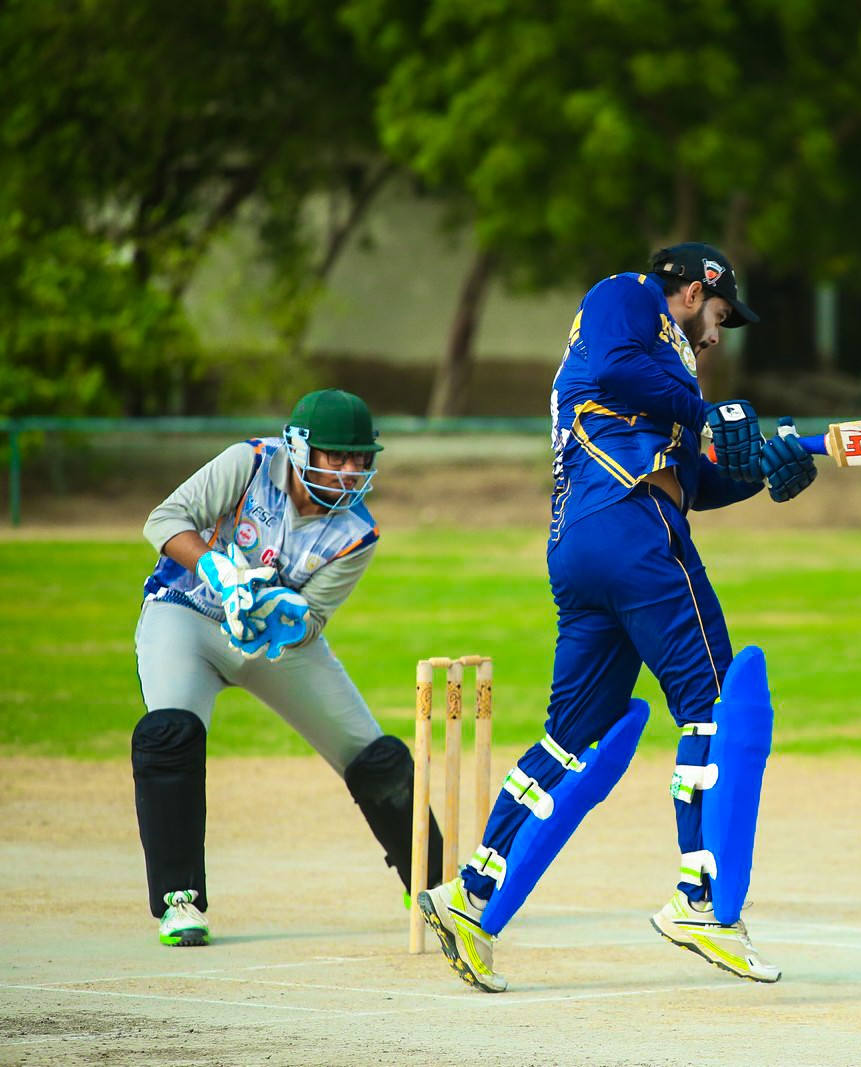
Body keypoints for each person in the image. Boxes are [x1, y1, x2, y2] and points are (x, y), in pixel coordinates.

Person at [417, 242, 818, 993]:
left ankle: (469, 896)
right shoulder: (627, 298)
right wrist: (706, 412)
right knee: (712, 706)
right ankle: (700, 899)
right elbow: (615, 369)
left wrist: (766, 472)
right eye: (720, 316)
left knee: (571, 735)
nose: (717, 336)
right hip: (632, 528)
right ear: (694, 290)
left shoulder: (665, 377)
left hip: (584, 547)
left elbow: (695, 482)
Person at [133, 389, 445, 946]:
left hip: (271, 644)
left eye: (360, 459)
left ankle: (434, 882)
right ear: (299, 448)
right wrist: (216, 568)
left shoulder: (358, 533)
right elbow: (166, 519)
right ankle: (180, 901)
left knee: (375, 755)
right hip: (186, 613)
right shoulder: (249, 463)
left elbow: (314, 618)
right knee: (169, 734)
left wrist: (286, 616)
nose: (350, 471)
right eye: (336, 456)